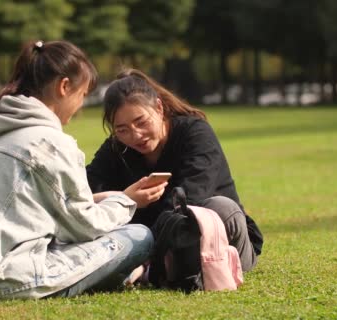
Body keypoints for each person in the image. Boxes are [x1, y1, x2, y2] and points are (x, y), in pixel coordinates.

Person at [0, 41, 168, 302]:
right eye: (82, 94)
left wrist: (99, 200)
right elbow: (84, 227)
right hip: (1, 281)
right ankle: (118, 275)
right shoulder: (50, 142)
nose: (80, 105)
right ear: (64, 87)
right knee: (138, 236)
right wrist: (126, 201)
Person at [86, 69, 264, 272]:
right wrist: (123, 198)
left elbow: (189, 199)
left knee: (219, 208)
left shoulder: (195, 133)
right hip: (153, 245)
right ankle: (160, 268)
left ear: (159, 108)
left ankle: (156, 267)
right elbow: (81, 190)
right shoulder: (116, 148)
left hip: (213, 238)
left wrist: (145, 245)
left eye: (141, 122)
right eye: (122, 129)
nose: (135, 135)